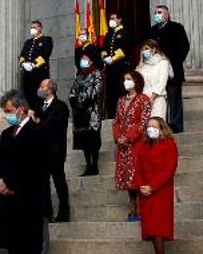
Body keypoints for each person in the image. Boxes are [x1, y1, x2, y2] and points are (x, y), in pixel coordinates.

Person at [0, 91, 47, 254]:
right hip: (8, 200)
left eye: (8, 111)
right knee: (15, 248)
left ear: (20, 108)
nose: (7, 115)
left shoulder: (37, 132)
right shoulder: (7, 134)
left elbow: (36, 165)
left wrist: (12, 184)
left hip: (27, 198)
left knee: (30, 248)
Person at [136, 117, 179, 254]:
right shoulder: (142, 146)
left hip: (161, 191)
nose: (150, 129)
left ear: (162, 129)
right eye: (148, 126)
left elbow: (169, 169)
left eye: (153, 127)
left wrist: (153, 186)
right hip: (145, 191)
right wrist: (141, 185)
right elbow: (138, 168)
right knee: (151, 230)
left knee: (158, 229)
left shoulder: (169, 145)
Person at [112, 69, 152, 221]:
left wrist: (128, 137)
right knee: (127, 177)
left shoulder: (144, 99)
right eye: (124, 79)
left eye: (129, 79)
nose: (126, 82)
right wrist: (117, 137)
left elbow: (142, 122)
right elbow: (116, 121)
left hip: (137, 143)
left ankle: (140, 209)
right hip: (123, 145)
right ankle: (131, 207)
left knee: (137, 175)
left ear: (136, 81)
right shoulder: (121, 100)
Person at [35, 78, 70, 222]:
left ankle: (64, 212)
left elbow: (55, 126)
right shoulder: (38, 106)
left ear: (50, 89)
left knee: (59, 182)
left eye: (42, 86)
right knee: (43, 184)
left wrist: (39, 122)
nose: (40, 89)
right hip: (41, 151)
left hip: (55, 151)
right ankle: (46, 212)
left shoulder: (60, 106)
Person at [150, 5, 190, 133]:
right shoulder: (152, 30)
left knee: (174, 98)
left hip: (173, 69)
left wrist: (175, 61)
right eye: (156, 12)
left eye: (160, 12)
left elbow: (184, 46)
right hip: (156, 70)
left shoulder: (176, 28)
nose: (157, 15)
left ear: (167, 14)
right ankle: (160, 126)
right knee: (159, 99)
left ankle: (176, 125)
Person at [69, 39, 103, 177]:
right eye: (82, 58)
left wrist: (87, 102)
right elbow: (73, 91)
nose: (82, 60)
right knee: (83, 141)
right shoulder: (79, 76)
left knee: (93, 140)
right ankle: (88, 165)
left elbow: (97, 90)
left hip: (92, 112)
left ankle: (94, 165)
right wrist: (75, 103)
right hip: (80, 114)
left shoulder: (97, 73)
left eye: (85, 58)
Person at [100, 14, 133, 120]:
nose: (111, 21)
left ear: (119, 19)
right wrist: (105, 56)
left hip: (121, 66)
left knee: (121, 90)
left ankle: (123, 114)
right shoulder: (109, 34)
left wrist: (113, 58)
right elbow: (104, 48)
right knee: (111, 91)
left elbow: (124, 49)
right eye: (110, 19)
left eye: (113, 19)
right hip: (110, 68)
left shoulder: (124, 32)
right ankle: (113, 114)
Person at [137, 38, 173, 121]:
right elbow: (136, 81)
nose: (144, 51)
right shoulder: (143, 65)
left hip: (157, 99)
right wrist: (140, 63)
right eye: (142, 49)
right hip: (143, 98)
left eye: (146, 49)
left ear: (154, 50)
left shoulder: (163, 62)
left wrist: (152, 98)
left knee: (156, 127)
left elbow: (162, 82)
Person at [18, 20, 53, 102]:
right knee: (28, 97)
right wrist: (23, 64)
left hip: (40, 74)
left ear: (40, 28)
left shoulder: (46, 40)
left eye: (34, 27)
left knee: (40, 97)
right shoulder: (28, 42)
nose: (32, 29)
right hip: (28, 75)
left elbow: (45, 54)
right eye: (31, 27)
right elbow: (22, 55)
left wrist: (33, 65)